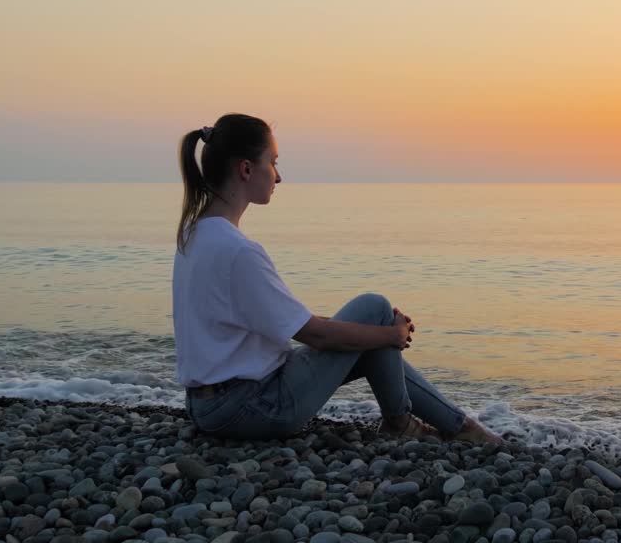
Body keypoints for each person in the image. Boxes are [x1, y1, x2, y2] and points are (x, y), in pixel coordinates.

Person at [172, 112, 502, 443]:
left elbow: (295, 324)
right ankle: (419, 425)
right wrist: (391, 335)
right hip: (252, 408)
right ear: (246, 169)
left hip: (209, 406)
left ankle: (442, 426)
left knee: (372, 329)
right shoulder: (238, 251)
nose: (279, 176)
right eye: (272, 163)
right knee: (374, 307)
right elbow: (318, 336)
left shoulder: (195, 235)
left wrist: (382, 333)